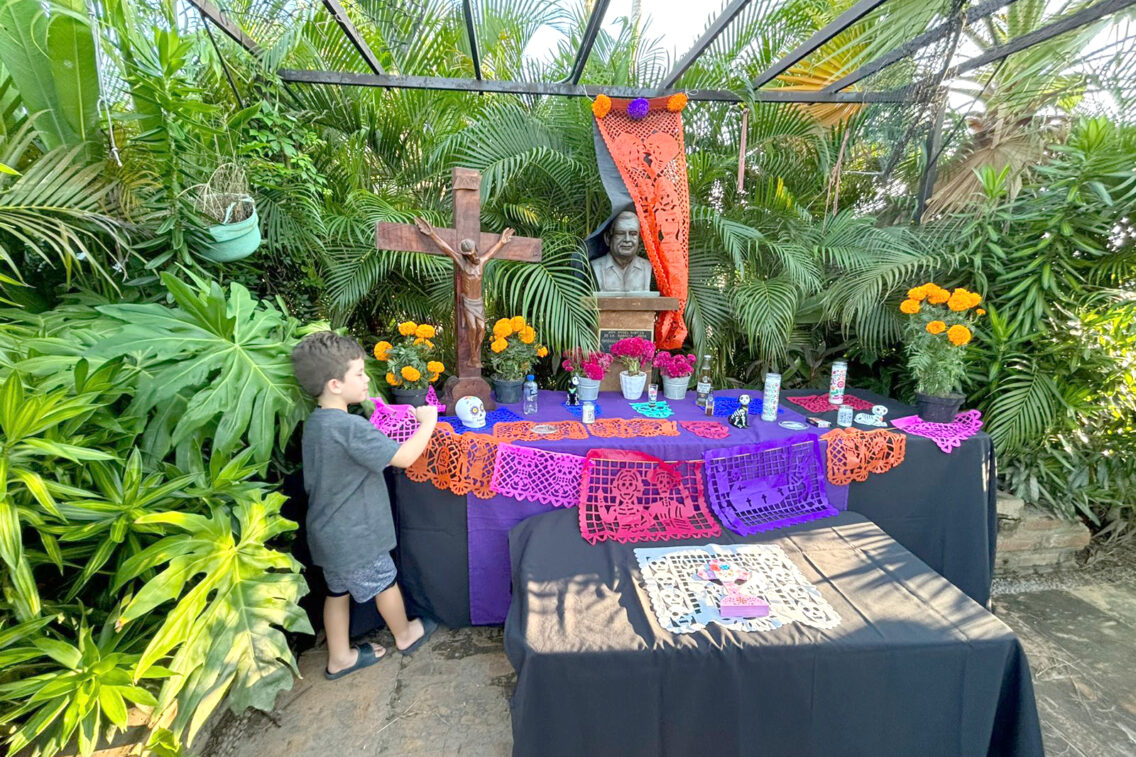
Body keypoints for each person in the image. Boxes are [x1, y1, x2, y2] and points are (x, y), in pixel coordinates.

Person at [291, 331, 440, 680]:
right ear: (335, 384)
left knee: (337, 592)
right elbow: (403, 457)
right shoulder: (350, 426)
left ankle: (340, 657)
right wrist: (428, 423)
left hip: (327, 534)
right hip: (357, 536)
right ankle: (406, 634)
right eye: (358, 374)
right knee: (384, 583)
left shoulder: (315, 424)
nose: (366, 379)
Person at [590, 210, 653, 293]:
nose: (627, 239)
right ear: (608, 238)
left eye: (633, 234)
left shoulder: (647, 267)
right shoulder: (595, 267)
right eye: (620, 233)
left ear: (640, 239)